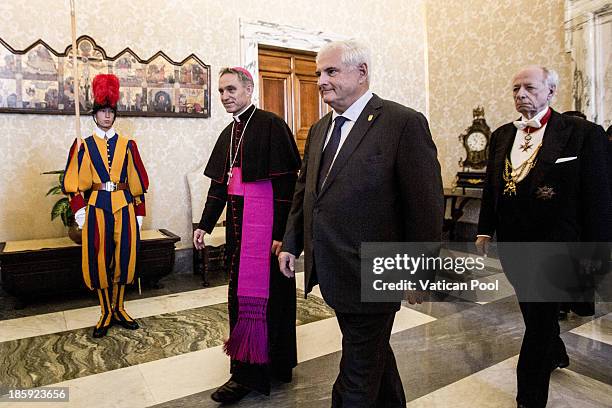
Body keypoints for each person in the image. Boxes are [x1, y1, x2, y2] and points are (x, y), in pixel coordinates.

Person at [279, 40, 444, 407]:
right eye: (318, 73)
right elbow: (306, 190)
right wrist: (292, 242)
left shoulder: (402, 123)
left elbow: (426, 206)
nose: (320, 80)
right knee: (372, 354)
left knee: (355, 376)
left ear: (362, 73)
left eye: (331, 71)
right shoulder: (320, 128)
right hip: (335, 267)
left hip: (377, 270)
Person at [476, 66, 611, 408]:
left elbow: (599, 198)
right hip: (513, 245)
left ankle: (529, 398)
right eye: (516, 88)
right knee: (535, 311)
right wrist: (483, 228)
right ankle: (556, 351)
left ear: (550, 92)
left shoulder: (583, 133)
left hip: (557, 247)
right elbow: (494, 184)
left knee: (536, 324)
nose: (521, 94)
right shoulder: (502, 134)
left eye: (530, 88)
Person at [193, 67, 301, 404]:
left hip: (269, 237)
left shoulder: (271, 125)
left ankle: (275, 365)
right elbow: (218, 188)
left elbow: (287, 188)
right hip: (241, 237)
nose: (225, 96)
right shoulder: (229, 133)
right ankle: (247, 371)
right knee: (244, 302)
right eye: (221, 91)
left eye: (231, 89)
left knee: (277, 300)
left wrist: (285, 235)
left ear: (249, 89)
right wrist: (204, 224)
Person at [62, 74, 149, 338]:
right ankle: (105, 311)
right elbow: (74, 183)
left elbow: (137, 182)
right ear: (95, 115)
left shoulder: (128, 145)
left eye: (111, 112)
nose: (107, 116)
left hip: (124, 206)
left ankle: (120, 307)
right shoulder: (83, 146)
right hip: (97, 206)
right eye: (103, 112)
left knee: (124, 257)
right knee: (99, 258)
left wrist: (139, 211)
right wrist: (79, 210)